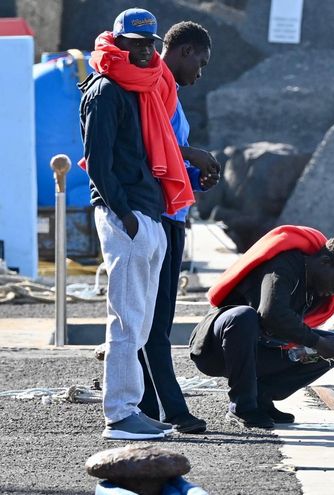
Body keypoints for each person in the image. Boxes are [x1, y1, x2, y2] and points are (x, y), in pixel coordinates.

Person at [80, 7, 194, 441]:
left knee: (140, 323)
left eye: (150, 42)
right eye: (136, 43)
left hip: (148, 214)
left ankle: (132, 409)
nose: (146, 50)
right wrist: (125, 216)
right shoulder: (105, 90)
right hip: (127, 215)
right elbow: (99, 164)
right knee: (126, 321)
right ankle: (120, 415)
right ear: (118, 43)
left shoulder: (139, 87)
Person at [189, 226, 334, 428]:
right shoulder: (284, 265)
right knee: (244, 316)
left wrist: (321, 345)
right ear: (325, 262)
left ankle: (261, 397)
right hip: (216, 348)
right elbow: (271, 314)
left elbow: (288, 330)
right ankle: (242, 406)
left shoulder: (316, 289)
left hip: (260, 351)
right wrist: (316, 341)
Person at [136, 20, 220, 435]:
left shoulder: (170, 93)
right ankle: (172, 409)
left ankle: (149, 404)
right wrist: (194, 155)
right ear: (184, 51)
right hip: (159, 218)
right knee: (156, 317)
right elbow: (147, 143)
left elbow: (168, 156)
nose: (199, 74)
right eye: (200, 64)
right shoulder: (157, 88)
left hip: (172, 214)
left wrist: (194, 170)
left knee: (157, 315)